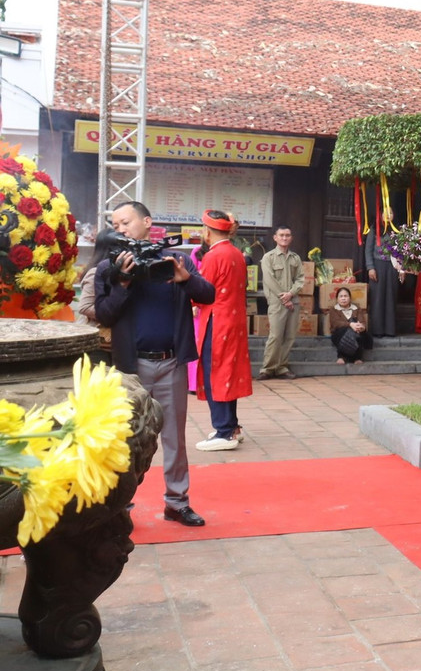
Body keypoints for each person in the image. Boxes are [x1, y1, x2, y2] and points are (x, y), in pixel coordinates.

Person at [94, 201, 215, 527]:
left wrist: (185, 279)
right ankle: (120, 509)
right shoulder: (110, 267)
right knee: (126, 439)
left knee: (174, 439)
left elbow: (208, 295)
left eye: (126, 221)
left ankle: (177, 502)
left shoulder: (177, 260)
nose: (120, 228)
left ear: (146, 222)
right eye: (116, 224)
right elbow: (103, 313)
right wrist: (122, 284)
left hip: (171, 364)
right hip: (130, 369)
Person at [192, 210, 253, 453]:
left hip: (217, 322)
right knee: (228, 373)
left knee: (215, 373)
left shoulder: (214, 256)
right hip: (234, 321)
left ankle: (224, 431)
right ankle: (231, 427)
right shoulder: (237, 253)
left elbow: (202, 291)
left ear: (207, 231)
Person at [258, 224, 304, 380]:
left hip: (293, 301)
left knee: (289, 336)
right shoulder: (268, 257)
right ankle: (268, 368)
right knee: (276, 335)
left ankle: (282, 367)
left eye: (287, 235)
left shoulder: (295, 258)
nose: (285, 238)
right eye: (281, 235)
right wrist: (284, 298)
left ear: (291, 238)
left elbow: (300, 279)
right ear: (275, 238)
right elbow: (269, 279)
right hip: (277, 302)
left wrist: (291, 294)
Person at [364, 207, 400, 337]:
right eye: (385, 212)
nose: (388, 215)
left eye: (390, 212)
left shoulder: (397, 230)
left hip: (392, 266)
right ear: (380, 214)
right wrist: (370, 267)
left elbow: (401, 251)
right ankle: (378, 330)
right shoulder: (374, 229)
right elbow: (368, 250)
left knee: (391, 297)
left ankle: (390, 330)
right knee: (377, 298)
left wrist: (402, 269)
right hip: (377, 266)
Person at [326, 286, 372, 364]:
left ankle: (351, 357)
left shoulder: (357, 309)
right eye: (341, 296)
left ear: (350, 298)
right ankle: (346, 357)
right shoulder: (334, 310)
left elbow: (362, 322)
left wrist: (361, 327)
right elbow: (336, 323)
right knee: (345, 331)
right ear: (337, 299)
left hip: (356, 333)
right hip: (339, 334)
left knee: (357, 333)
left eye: (345, 296)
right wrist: (350, 324)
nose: (343, 298)